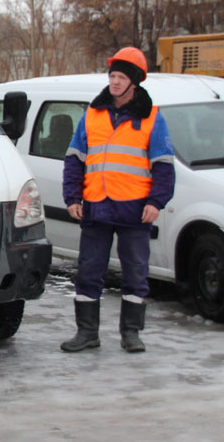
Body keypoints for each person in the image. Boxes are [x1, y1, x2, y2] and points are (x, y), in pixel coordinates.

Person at [60, 46, 175, 354]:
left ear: (134, 82)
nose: (114, 82)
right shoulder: (92, 114)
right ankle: (87, 332)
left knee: (136, 273)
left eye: (121, 77)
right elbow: (74, 159)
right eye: (112, 75)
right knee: (88, 271)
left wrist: (156, 202)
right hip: (96, 206)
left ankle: (132, 333)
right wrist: (72, 197)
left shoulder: (152, 118)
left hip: (135, 209)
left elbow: (163, 165)